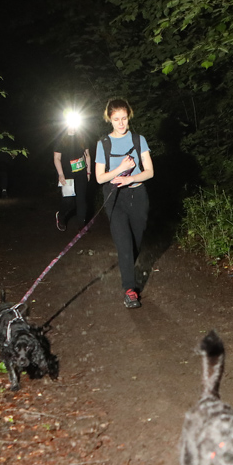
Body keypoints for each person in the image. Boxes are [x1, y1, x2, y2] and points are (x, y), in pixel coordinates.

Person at [95, 98, 154, 309]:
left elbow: (150, 171)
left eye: (124, 118)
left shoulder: (139, 140)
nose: (121, 123)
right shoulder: (104, 144)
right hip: (115, 198)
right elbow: (99, 178)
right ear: (109, 119)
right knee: (124, 244)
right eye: (116, 119)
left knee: (135, 243)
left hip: (138, 196)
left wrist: (131, 178)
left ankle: (127, 265)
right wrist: (120, 169)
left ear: (129, 117)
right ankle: (130, 290)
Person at [53, 122, 92, 231]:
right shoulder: (61, 138)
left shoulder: (82, 137)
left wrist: (88, 172)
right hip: (67, 174)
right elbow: (57, 158)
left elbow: (87, 156)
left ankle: (81, 226)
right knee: (69, 201)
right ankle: (61, 216)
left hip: (81, 172)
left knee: (81, 200)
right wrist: (61, 174)